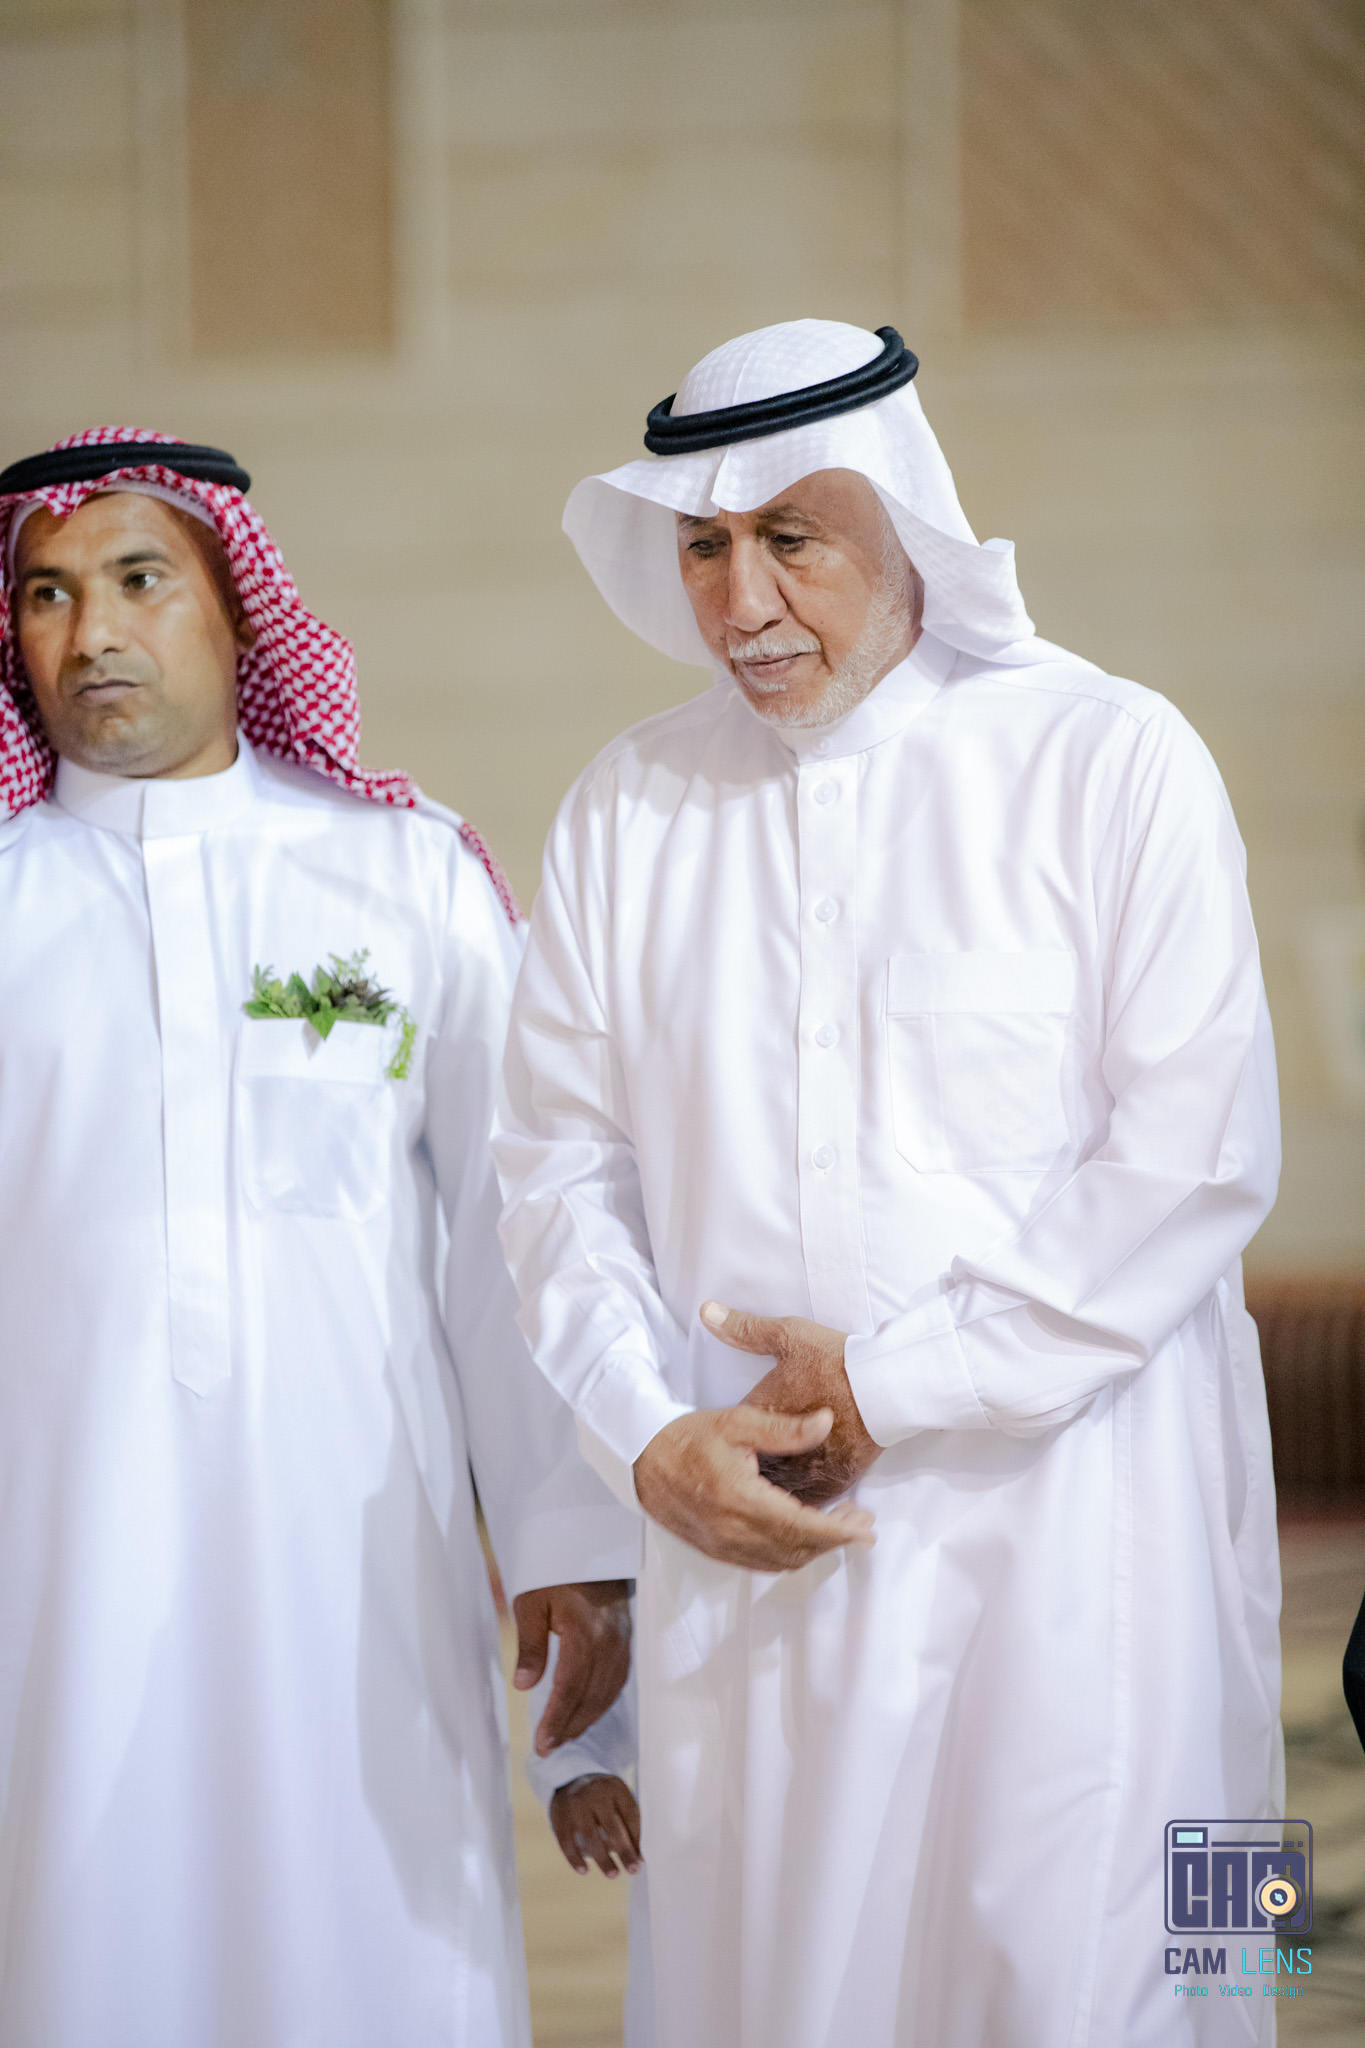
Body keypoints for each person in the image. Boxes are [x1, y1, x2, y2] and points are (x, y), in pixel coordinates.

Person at [493, 322, 1284, 2046]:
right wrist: (645, 1436)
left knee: (1130, 1980)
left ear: (905, 519)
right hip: (749, 1561)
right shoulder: (630, 807)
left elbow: (1194, 1158)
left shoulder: (1110, 756)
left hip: (1082, 1550)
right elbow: (554, 1174)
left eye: (790, 539)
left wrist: (889, 1384)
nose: (741, 603)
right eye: (703, 548)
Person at [0, 428, 640, 2048]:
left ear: (237, 605)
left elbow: (516, 1242)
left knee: (372, 1956)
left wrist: (569, 1548)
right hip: (52, 1580)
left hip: (362, 1581)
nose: (92, 632)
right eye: (47, 594)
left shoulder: (400, 878)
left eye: (139, 580)